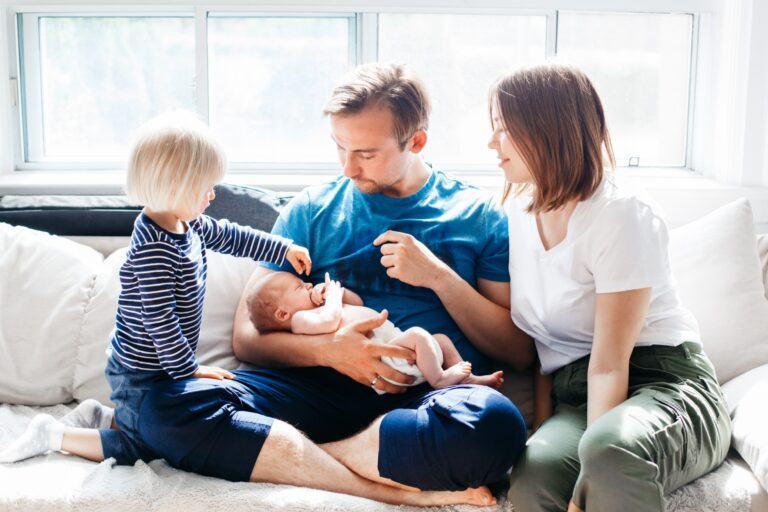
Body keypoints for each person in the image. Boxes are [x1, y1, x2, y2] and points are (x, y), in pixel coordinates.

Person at [135, 62, 534, 506]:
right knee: (166, 407)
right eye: (339, 147)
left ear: (416, 140)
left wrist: (439, 278)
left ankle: (296, 459)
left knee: (495, 427)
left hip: (420, 398)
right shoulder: (311, 210)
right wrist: (330, 351)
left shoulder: (478, 217)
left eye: (366, 153)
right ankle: (364, 478)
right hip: (313, 390)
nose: (348, 168)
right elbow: (247, 338)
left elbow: (516, 352)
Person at [0, 112, 311, 466]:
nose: (212, 195)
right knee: (141, 447)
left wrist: (281, 248)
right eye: (205, 186)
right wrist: (188, 369)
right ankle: (53, 435)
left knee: (154, 426)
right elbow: (159, 317)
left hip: (161, 366)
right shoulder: (153, 248)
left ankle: (100, 415)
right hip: (141, 370)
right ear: (173, 186)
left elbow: (229, 235)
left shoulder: (187, 223)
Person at [488, 63, 732, 512]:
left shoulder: (620, 215)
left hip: (665, 382)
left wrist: (587, 484)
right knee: (535, 474)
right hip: (576, 395)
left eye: (503, 130)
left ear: (546, 131)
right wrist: (544, 434)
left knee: (608, 452)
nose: (491, 144)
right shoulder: (519, 216)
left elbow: (609, 365)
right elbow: (547, 355)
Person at [247, 271, 504, 390]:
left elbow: (357, 303)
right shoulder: (301, 319)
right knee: (418, 335)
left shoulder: (320, 306)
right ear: (283, 314)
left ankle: (462, 378)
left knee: (441, 339)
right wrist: (333, 299)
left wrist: (341, 292)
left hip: (394, 344)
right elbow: (330, 321)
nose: (307, 286)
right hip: (383, 359)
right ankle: (438, 380)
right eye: (300, 287)